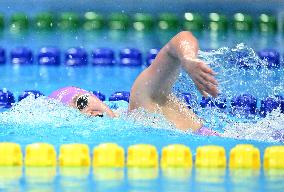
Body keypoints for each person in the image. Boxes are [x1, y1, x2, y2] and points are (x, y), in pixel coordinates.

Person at [49, 31, 220, 136]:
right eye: (74, 117)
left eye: (81, 102)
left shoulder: (141, 105)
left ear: (95, 97)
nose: (86, 113)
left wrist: (188, 58)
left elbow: (178, 41)